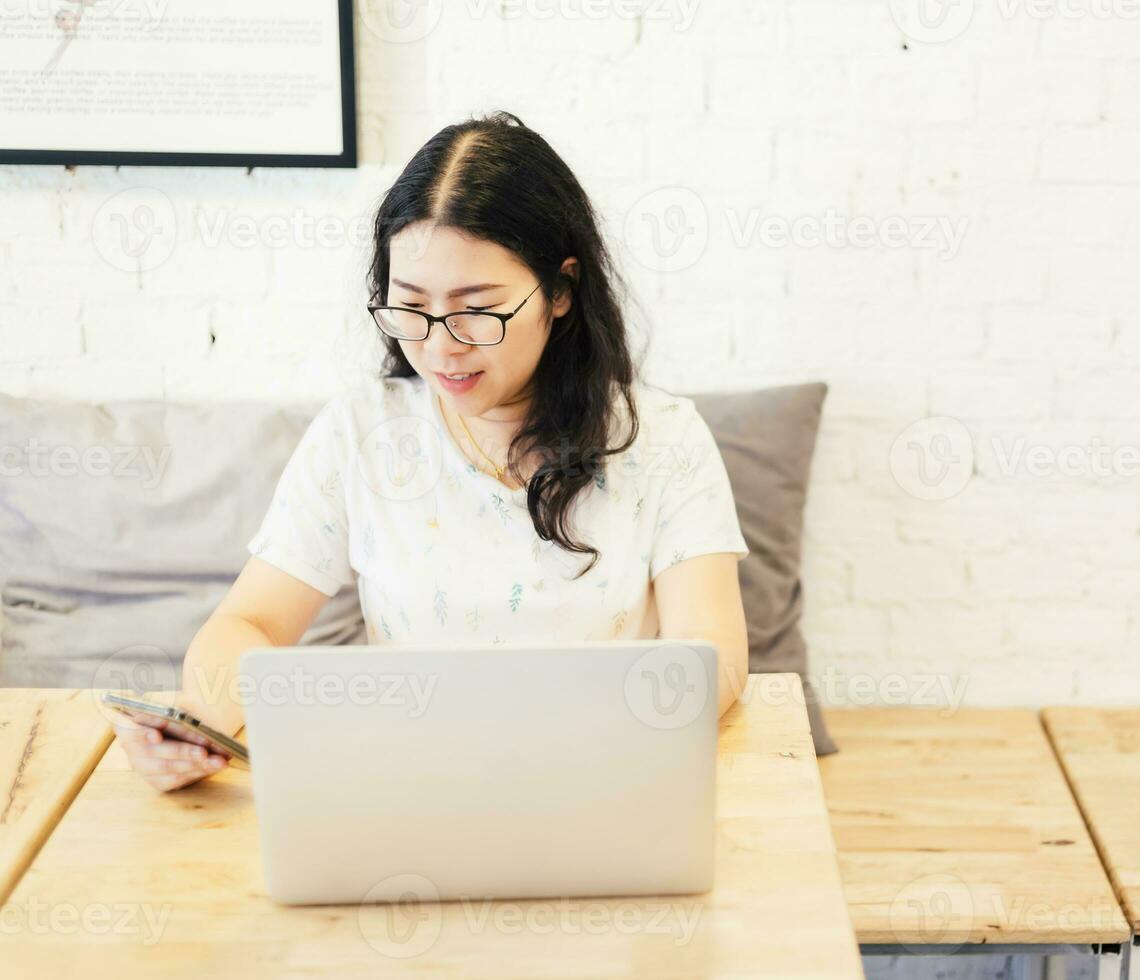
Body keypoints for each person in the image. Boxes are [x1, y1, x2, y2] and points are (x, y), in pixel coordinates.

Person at [112, 111, 751, 792]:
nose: (440, 348)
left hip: (606, 784)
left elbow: (713, 659)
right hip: (410, 795)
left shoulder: (664, 439)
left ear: (560, 291)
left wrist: (563, 744)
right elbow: (250, 622)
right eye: (411, 305)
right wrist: (206, 718)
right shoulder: (363, 435)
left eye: (477, 309)